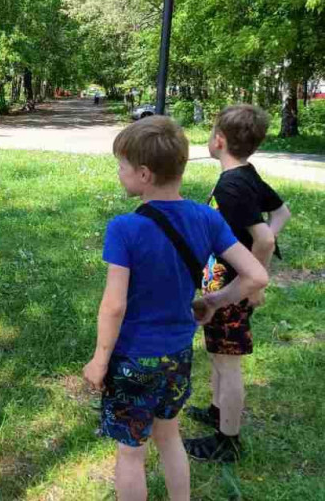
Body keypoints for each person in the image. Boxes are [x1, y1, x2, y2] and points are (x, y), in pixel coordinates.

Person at [82, 116, 269, 501]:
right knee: (169, 437)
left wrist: (100, 360)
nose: (119, 173)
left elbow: (114, 305)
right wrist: (214, 301)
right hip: (177, 356)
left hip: (132, 359)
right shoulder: (207, 217)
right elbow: (256, 275)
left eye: (122, 166)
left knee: (131, 453)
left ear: (144, 174)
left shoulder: (124, 228)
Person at [183, 105, 291, 462]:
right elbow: (281, 213)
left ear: (219, 140)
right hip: (225, 285)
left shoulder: (232, 186)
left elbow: (264, 238)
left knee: (227, 362)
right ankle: (217, 411)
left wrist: (253, 282)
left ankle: (227, 441)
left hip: (231, 289)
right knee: (218, 353)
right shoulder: (245, 174)